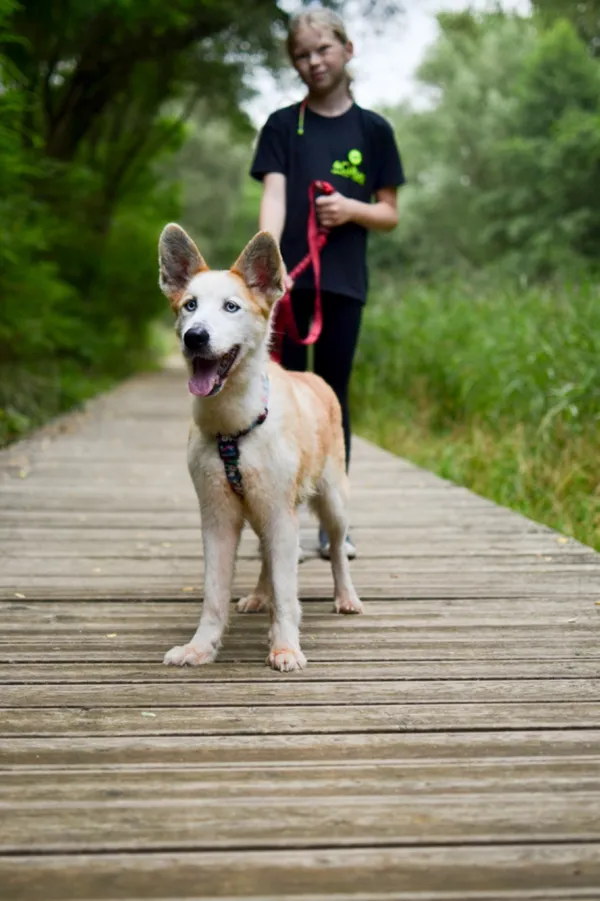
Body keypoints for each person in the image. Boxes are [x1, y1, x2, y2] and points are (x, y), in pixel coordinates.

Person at [250, 7, 405, 560]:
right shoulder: (280, 125)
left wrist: (351, 209)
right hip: (285, 289)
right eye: (301, 54)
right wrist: (266, 266)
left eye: (322, 50)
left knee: (333, 399)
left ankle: (333, 521)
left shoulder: (374, 130)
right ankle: (278, 514)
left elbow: (389, 212)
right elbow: (273, 196)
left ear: (347, 50)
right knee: (275, 399)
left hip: (343, 286)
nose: (313, 62)